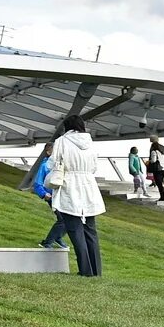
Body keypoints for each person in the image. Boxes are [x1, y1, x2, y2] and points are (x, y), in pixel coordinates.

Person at [48, 114, 104, 277]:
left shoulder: (62, 141)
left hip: (69, 184)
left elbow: (53, 163)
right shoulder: (90, 143)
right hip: (88, 186)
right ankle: (96, 271)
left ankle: (85, 270)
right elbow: (94, 167)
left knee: (74, 229)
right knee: (90, 230)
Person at [31, 154, 68, 250]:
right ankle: (48, 242)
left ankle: (57, 237)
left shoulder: (60, 164)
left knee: (68, 219)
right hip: (51, 196)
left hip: (61, 196)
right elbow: (38, 183)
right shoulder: (45, 165)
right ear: (48, 152)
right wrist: (43, 194)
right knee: (63, 219)